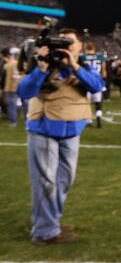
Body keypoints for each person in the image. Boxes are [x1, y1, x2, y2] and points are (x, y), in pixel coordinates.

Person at [17, 28, 104, 244]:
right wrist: (41, 69)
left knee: (65, 180)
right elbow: (24, 91)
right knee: (46, 182)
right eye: (61, 42)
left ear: (79, 46)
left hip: (72, 131)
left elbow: (97, 86)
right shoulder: (42, 64)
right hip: (44, 129)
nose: (65, 47)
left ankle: (50, 220)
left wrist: (73, 66)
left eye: (69, 42)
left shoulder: (82, 66)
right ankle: (45, 231)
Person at [79, 42, 108, 127]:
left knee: (87, 103)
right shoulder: (100, 57)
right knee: (98, 103)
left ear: (86, 49)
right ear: (94, 49)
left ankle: (89, 121)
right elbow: (104, 71)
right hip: (97, 81)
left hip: (86, 80)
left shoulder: (82, 57)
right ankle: (98, 116)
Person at [2, 47, 21, 127]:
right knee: (14, 104)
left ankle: (13, 122)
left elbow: (6, 77)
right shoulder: (16, 62)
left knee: (11, 104)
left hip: (10, 87)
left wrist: (4, 88)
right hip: (16, 86)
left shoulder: (7, 65)